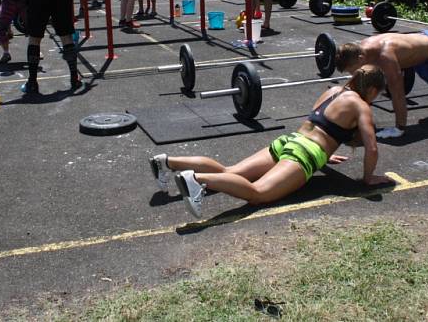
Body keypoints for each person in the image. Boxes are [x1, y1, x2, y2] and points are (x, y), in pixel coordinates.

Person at [149, 65, 393, 218]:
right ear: (372, 89)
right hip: (306, 152)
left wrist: (327, 154)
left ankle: (168, 162)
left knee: (230, 171)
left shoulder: (333, 91)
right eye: (378, 93)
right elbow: (371, 147)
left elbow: (323, 124)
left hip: (290, 140)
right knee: (258, 194)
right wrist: (368, 178)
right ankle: (196, 180)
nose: (376, 98)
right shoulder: (361, 106)